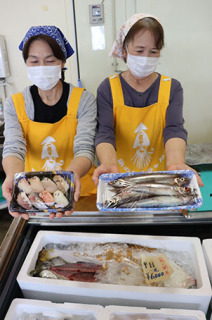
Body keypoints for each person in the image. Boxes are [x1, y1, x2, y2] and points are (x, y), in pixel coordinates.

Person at [92, 13, 203, 187]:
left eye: (153, 51)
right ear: (125, 48)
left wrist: (176, 163)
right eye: (139, 50)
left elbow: (174, 129)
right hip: (119, 179)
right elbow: (105, 132)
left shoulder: (172, 88)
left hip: (161, 179)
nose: (146, 58)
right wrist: (108, 164)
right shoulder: (108, 88)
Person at [2, 25, 97, 220]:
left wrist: (65, 185)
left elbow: (85, 148)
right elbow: (14, 147)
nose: (41, 67)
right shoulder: (15, 103)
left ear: (62, 62)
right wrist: (12, 176)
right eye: (34, 61)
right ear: (26, 63)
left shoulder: (84, 100)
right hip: (36, 196)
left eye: (50, 60)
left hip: (81, 193)